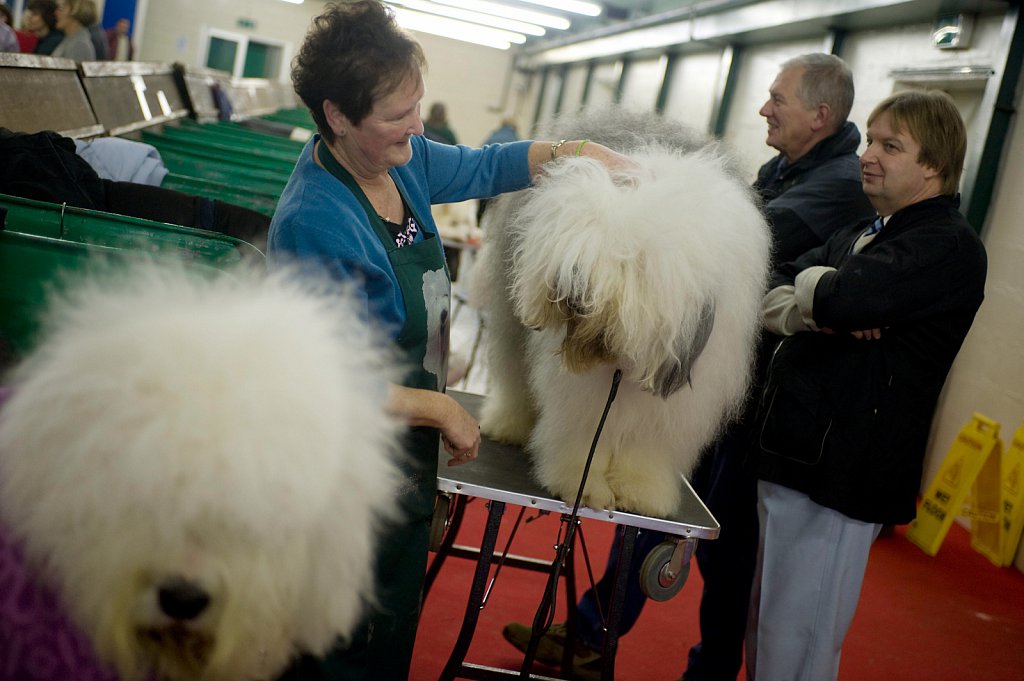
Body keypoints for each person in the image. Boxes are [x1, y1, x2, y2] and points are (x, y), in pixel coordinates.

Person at [265, 3, 633, 680]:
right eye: (396, 114)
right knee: (336, 640)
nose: (416, 125)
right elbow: (320, 385)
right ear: (338, 117)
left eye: (418, 105)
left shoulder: (404, 164)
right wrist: (438, 407)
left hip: (403, 459)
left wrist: (581, 156)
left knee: (388, 625)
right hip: (343, 474)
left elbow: (490, 166)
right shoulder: (316, 223)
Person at [501, 53, 875, 681]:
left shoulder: (836, 181)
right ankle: (595, 634)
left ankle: (699, 665)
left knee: (720, 543)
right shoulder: (784, 166)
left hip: (762, 394)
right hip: (710, 362)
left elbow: (747, 239)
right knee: (665, 518)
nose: (763, 109)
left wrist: (669, 203)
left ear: (821, 113)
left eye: (777, 98)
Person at [747, 89, 987, 681]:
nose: (868, 155)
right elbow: (770, 285)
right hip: (797, 452)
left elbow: (845, 297)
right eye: (871, 140)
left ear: (933, 164)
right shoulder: (866, 231)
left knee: (798, 637)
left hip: (843, 470)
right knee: (767, 626)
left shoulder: (945, 246)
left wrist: (827, 295)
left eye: (890, 145)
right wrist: (818, 301)